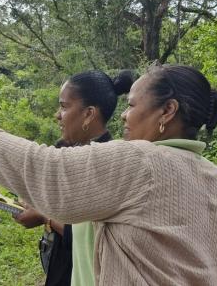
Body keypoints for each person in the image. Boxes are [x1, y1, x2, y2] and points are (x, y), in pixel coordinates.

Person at [0, 64, 217, 285]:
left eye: (132, 106)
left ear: (167, 111)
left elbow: (45, 170)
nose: (124, 115)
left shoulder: (140, 160)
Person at [12, 69, 133, 286]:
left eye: (64, 107)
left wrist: (43, 217)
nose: (57, 115)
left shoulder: (105, 165)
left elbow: (89, 234)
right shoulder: (67, 151)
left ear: (89, 114)